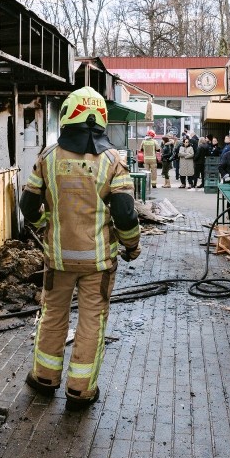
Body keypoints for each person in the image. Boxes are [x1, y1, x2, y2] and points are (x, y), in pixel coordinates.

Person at [20, 86, 141, 411]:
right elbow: (125, 213)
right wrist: (132, 246)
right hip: (98, 264)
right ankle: (80, 390)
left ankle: (44, 379)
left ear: (66, 117)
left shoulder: (47, 157)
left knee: (53, 316)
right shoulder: (113, 161)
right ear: (100, 117)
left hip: (58, 259)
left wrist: (48, 220)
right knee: (91, 321)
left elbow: (28, 206)